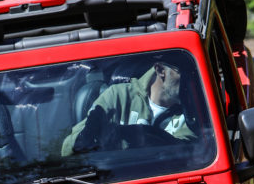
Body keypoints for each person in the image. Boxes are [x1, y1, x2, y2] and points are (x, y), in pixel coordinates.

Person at [62, 59, 194, 155]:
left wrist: (144, 135)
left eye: (191, 73)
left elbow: (192, 155)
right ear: (160, 70)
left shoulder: (193, 110)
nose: (189, 80)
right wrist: (88, 136)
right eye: (182, 72)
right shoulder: (117, 96)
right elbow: (67, 149)